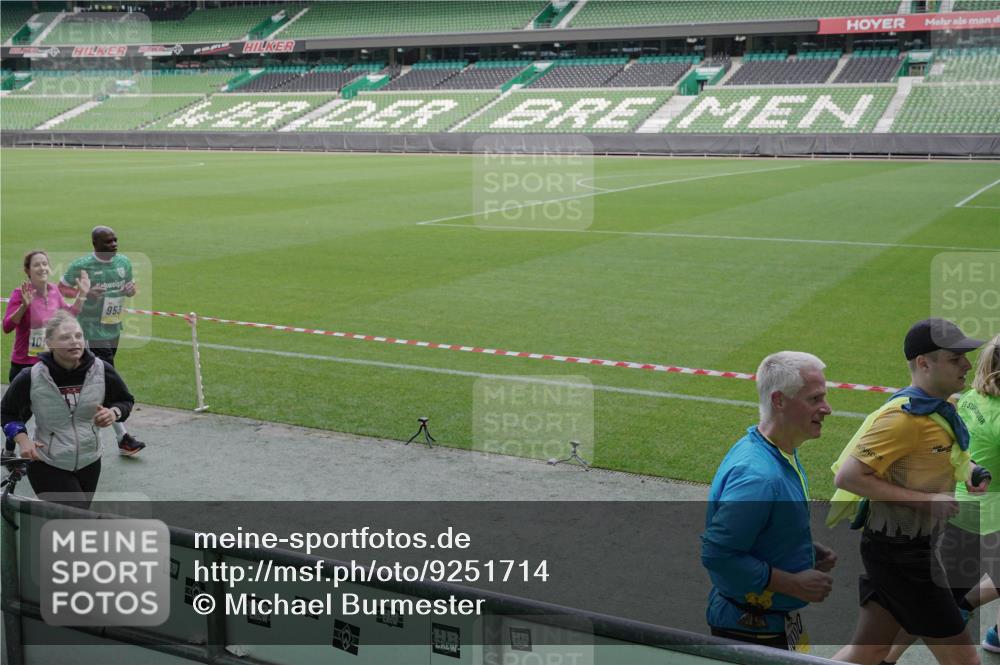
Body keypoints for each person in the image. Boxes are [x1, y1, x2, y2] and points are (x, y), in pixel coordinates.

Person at [830, 318, 986, 665]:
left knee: (869, 651)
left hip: (902, 550)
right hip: (904, 557)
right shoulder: (903, 419)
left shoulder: (940, 409)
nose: (966, 364)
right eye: (955, 358)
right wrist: (927, 502)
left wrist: (971, 471)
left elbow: (946, 455)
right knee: (965, 661)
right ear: (924, 363)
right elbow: (848, 477)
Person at [702, 351, 836, 652]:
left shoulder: (776, 451)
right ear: (779, 401)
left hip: (767, 623)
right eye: (815, 399)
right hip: (750, 632)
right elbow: (718, 555)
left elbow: (762, 526)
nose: (827, 408)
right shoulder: (759, 477)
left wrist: (800, 548)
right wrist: (794, 584)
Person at [0, 310, 135, 510]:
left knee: (75, 518)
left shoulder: (102, 370)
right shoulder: (31, 376)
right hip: (47, 461)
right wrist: (22, 439)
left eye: (78, 336)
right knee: (75, 516)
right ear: (49, 343)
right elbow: (6, 412)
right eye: (65, 337)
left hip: (90, 460)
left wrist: (113, 413)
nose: (74, 341)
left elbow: (125, 400)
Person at [59, 225, 145, 456]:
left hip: (113, 326)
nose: (114, 244)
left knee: (96, 380)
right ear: (95, 244)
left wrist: (130, 290)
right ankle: (122, 436)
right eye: (108, 241)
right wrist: (84, 294)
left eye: (115, 240)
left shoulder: (123, 262)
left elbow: (130, 287)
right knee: (107, 378)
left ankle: (74, 418)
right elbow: (62, 289)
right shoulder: (82, 265)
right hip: (91, 329)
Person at [2, 250, 89, 461]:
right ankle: (9, 450)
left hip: (49, 363)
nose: (42, 268)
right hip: (24, 364)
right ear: (28, 270)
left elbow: (68, 315)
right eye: (36, 265)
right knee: (21, 412)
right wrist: (24, 306)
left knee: (49, 409)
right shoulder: (20, 293)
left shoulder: (54, 291)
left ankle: (49, 448)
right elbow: (7, 326)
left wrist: (82, 295)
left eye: (44, 264)